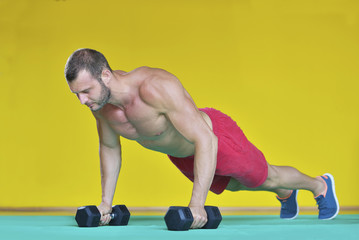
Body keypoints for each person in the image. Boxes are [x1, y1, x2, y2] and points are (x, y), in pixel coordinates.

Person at [64, 48, 339, 228]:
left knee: (265, 176)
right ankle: (286, 193)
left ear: (105, 75)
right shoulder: (100, 107)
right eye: (76, 94)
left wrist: (196, 205)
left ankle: (319, 185)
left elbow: (205, 140)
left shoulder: (154, 86)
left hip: (212, 135)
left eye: (85, 91)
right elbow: (110, 148)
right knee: (233, 186)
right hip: (181, 154)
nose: (81, 100)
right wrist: (105, 204)